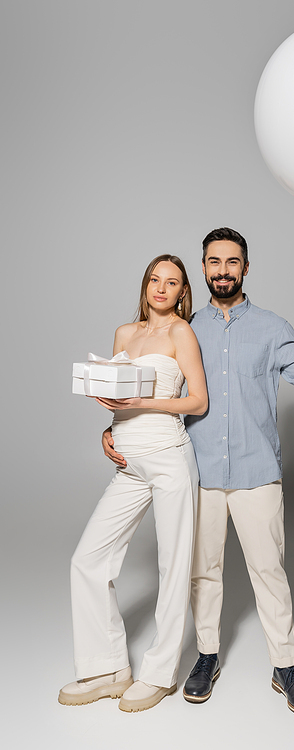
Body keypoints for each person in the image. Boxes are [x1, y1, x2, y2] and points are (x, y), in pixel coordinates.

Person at [103, 227, 294, 717]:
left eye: (231, 262)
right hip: (197, 474)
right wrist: (112, 431)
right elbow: (146, 397)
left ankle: (285, 667)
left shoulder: (272, 327)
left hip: (258, 473)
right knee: (204, 573)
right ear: (202, 269)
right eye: (214, 262)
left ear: (245, 268)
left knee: (270, 573)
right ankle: (207, 656)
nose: (222, 270)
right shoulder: (183, 330)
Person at [59, 254, 207, 713]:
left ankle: (159, 674)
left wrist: (143, 401)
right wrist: (109, 427)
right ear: (145, 284)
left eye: (172, 283)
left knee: (172, 566)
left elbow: (197, 400)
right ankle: (107, 669)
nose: (161, 288)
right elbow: (117, 396)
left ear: (183, 292)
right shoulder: (125, 333)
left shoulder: (181, 332)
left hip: (168, 459)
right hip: (129, 463)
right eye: (155, 279)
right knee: (88, 559)